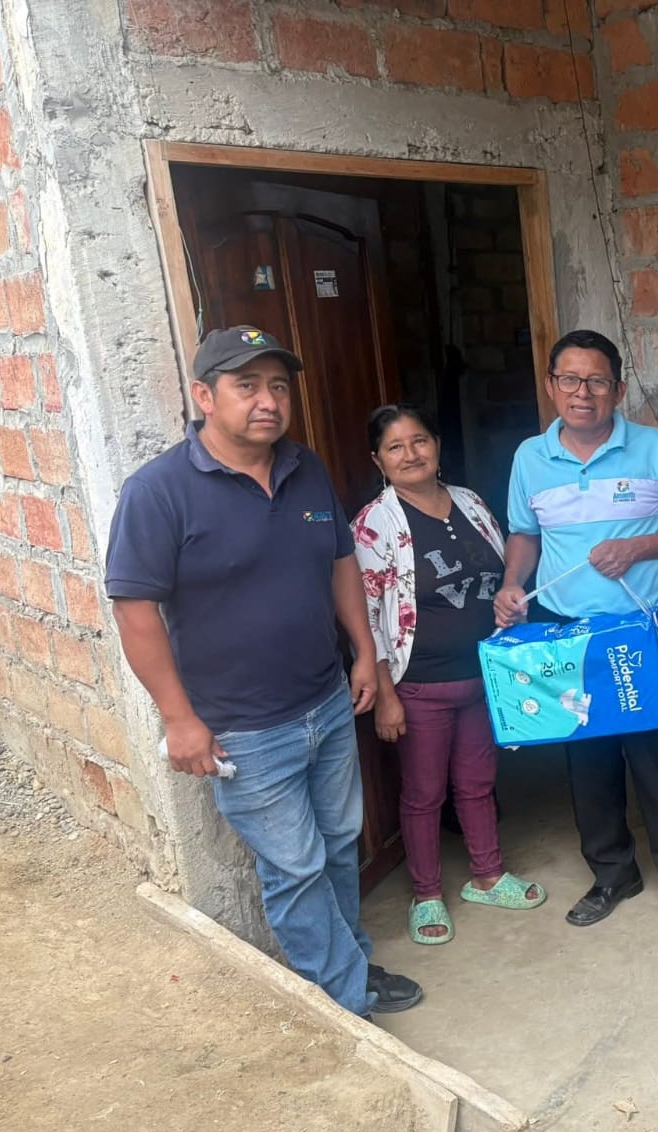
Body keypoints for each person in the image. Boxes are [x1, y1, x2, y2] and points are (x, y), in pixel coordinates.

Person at [105, 326, 422, 1017]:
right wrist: (179, 720)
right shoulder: (158, 491)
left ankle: (349, 968)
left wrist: (363, 653)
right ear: (203, 396)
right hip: (243, 730)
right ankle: (346, 1005)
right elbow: (135, 613)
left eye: (278, 386)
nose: (268, 401)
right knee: (296, 867)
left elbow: (340, 561)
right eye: (246, 386)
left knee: (338, 847)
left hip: (326, 702)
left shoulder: (304, 468)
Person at [492, 330, 658, 943]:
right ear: (551, 386)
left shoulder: (653, 448)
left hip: (641, 629)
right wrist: (512, 583)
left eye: (595, 381)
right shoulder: (530, 458)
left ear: (617, 389)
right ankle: (613, 875)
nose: (581, 393)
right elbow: (524, 534)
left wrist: (637, 548)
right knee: (587, 762)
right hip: (566, 631)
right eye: (569, 379)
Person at [352, 404, 546, 946]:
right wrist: (386, 694)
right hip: (420, 686)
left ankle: (488, 876)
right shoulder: (373, 525)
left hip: (483, 677)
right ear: (378, 460)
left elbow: (503, 574)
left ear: (436, 445)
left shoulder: (471, 503)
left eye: (419, 441)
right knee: (423, 794)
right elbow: (367, 616)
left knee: (478, 783)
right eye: (395, 447)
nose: (411, 454)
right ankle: (427, 894)